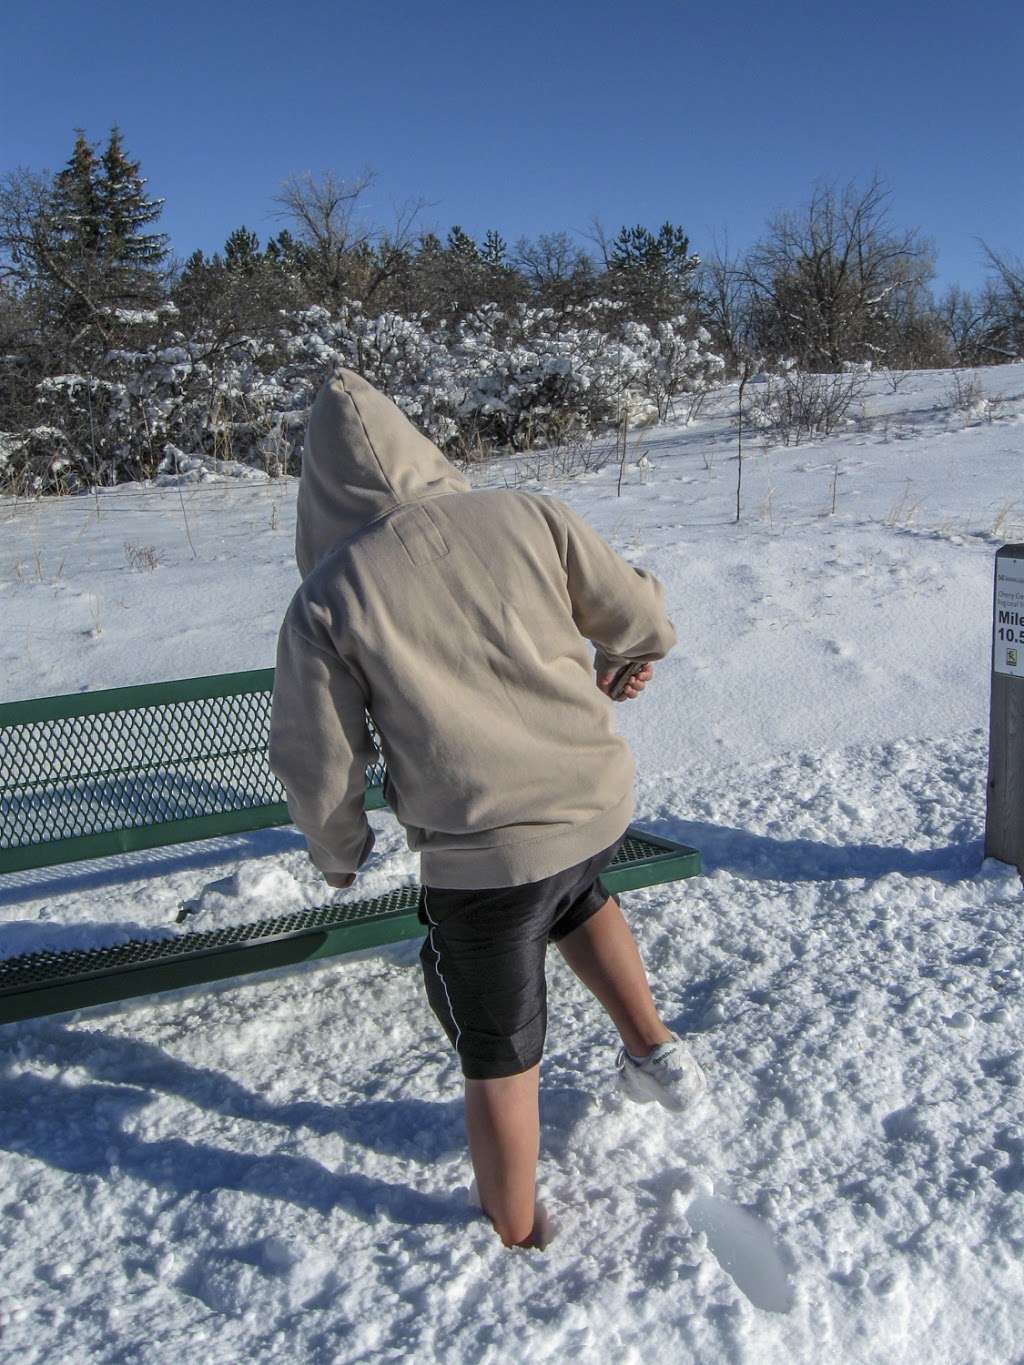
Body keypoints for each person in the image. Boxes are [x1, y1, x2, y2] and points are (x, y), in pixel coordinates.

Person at [269, 369, 706, 1250]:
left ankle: (512, 1240)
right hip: (589, 804)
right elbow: (635, 613)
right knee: (580, 896)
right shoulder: (526, 514)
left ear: (317, 491)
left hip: (485, 858)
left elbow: (318, 755)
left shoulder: (328, 596)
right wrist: (631, 651)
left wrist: (338, 847)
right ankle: (656, 1052)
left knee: (499, 1051)